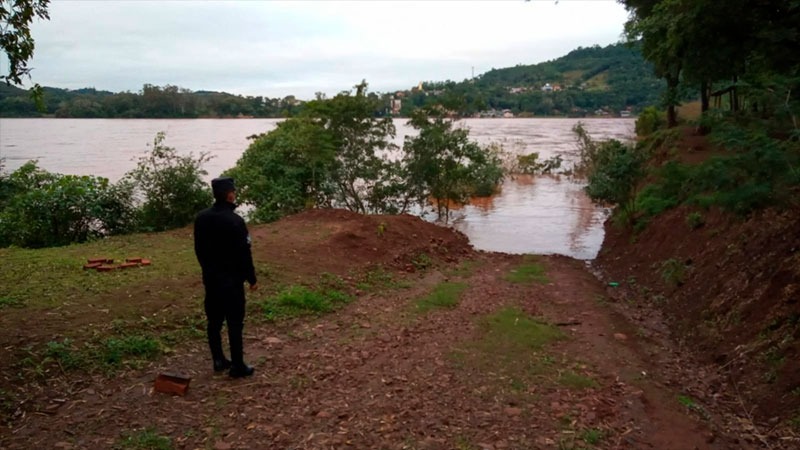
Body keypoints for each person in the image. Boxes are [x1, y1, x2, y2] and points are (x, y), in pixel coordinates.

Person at [194, 177, 258, 378]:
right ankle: (238, 365)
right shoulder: (235, 221)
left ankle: (218, 359)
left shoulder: (201, 218)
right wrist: (251, 278)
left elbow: (199, 250)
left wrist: (208, 271)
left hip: (211, 280)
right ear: (230, 194)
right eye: (234, 191)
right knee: (234, 322)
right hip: (232, 282)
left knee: (214, 321)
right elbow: (244, 253)